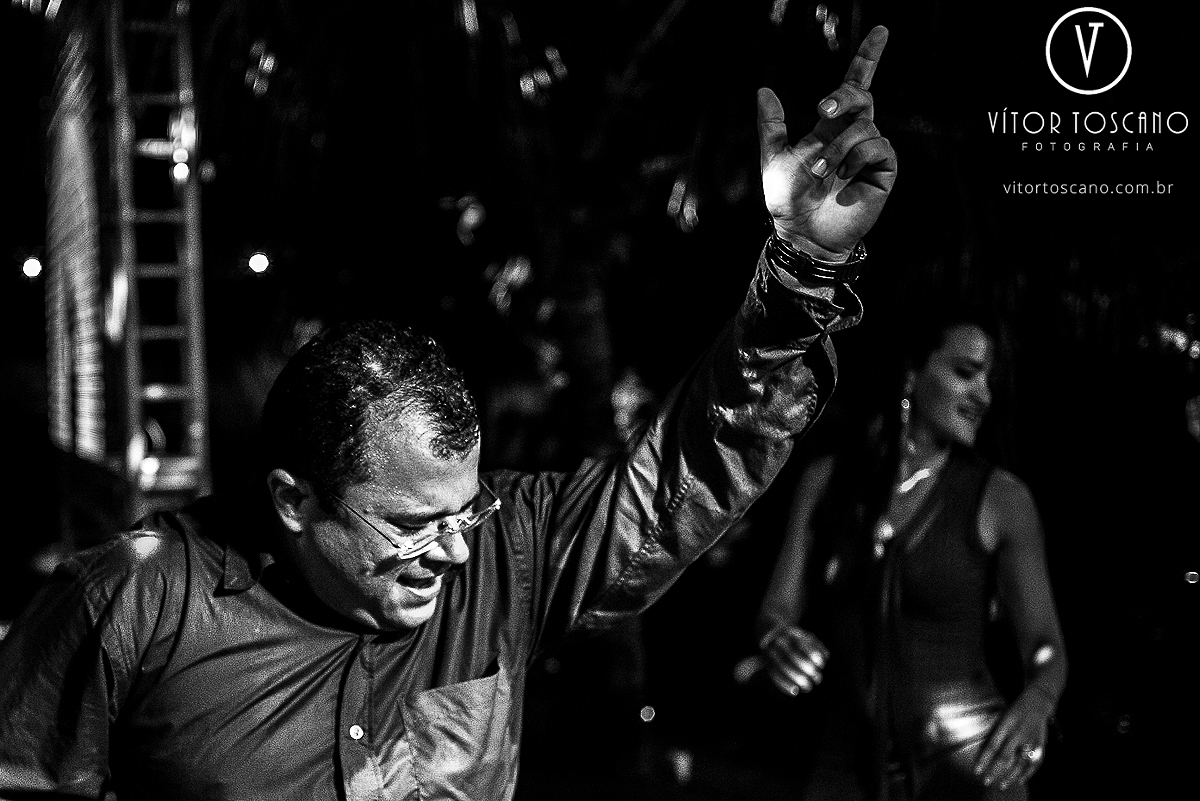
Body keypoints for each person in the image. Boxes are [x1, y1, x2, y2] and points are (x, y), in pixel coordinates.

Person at [0, 26, 898, 801]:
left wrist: (802, 267)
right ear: (293, 499)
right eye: (412, 524)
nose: (458, 549)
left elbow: (688, 470)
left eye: (463, 510)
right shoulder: (133, 601)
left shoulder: (510, 551)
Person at [755, 310, 1067, 800]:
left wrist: (1038, 702)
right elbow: (777, 607)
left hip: (968, 768)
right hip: (842, 767)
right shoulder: (826, 481)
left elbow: (1045, 646)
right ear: (910, 373)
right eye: (965, 373)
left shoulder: (1002, 499)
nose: (983, 396)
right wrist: (778, 638)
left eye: (988, 381)